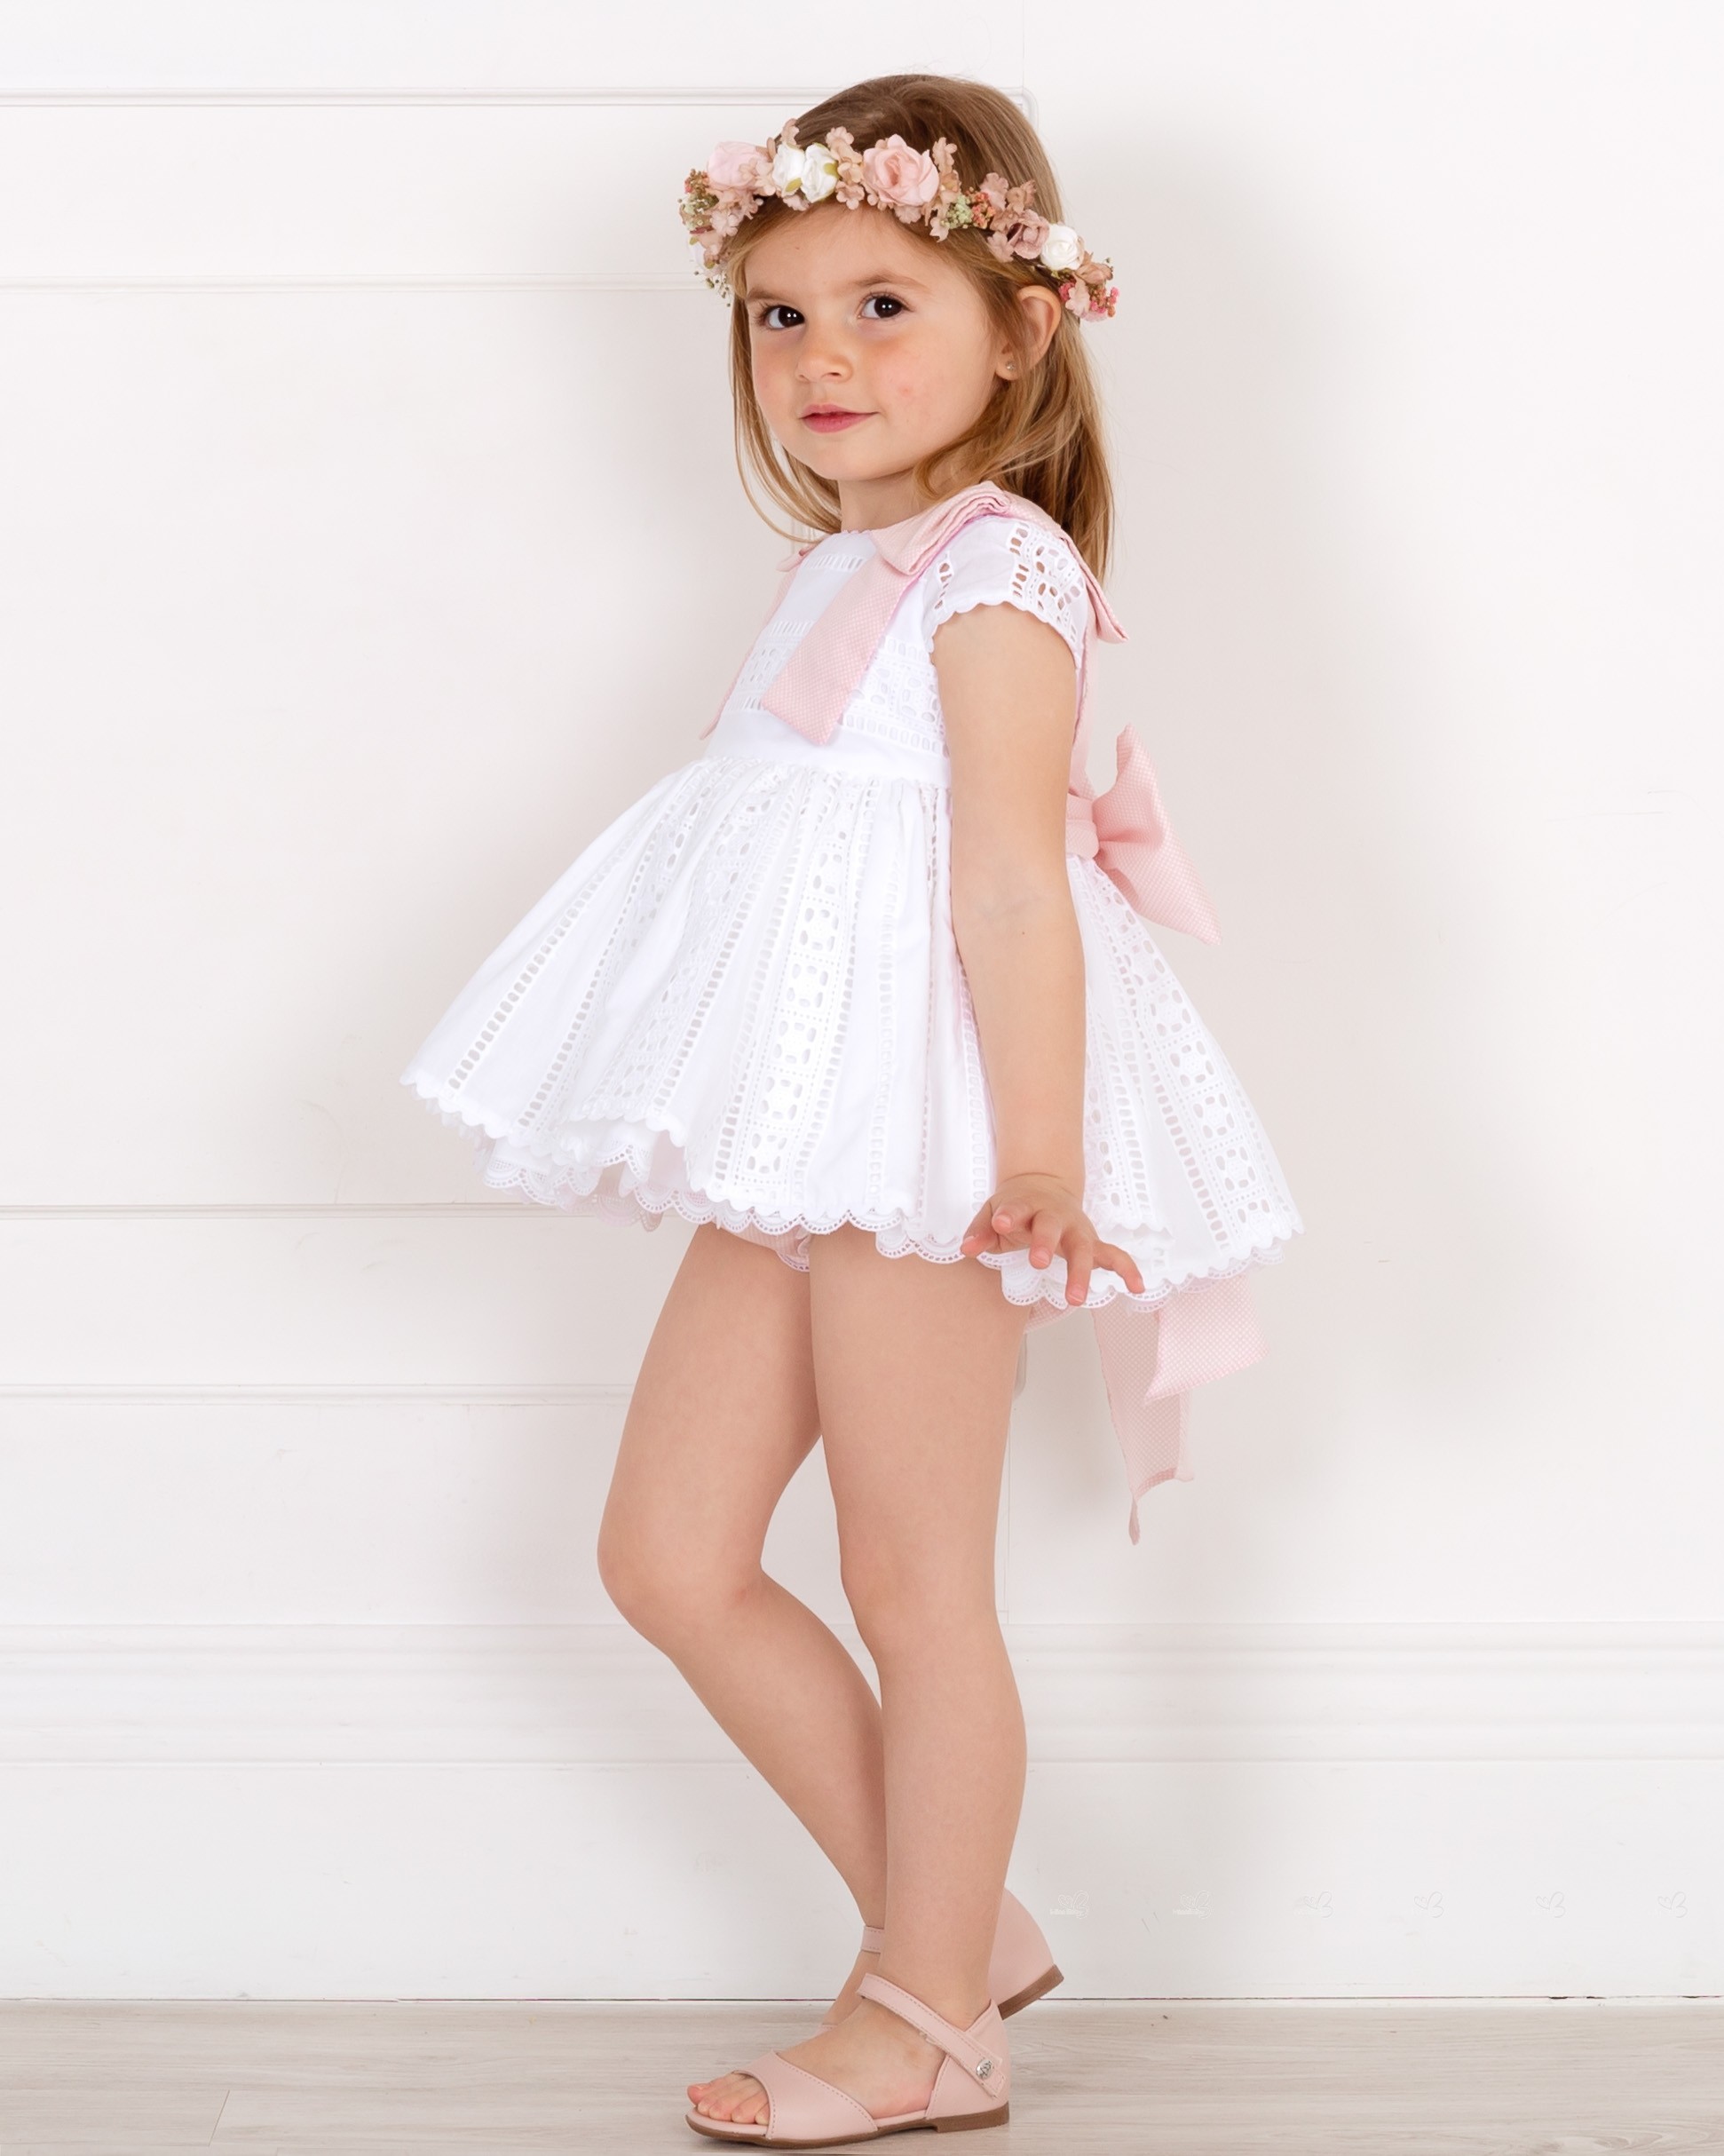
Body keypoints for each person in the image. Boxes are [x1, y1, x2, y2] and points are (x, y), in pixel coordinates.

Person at [401, 72, 1301, 2148]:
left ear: (1021, 326)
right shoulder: (844, 561)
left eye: (883, 305)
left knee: (913, 1579)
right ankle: (965, 1922)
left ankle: (925, 2017)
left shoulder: (997, 577)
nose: (821, 355)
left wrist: (1039, 1157)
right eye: (779, 314)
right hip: (797, 1130)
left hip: (930, 1147)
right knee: (666, 1548)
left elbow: (1013, 885)